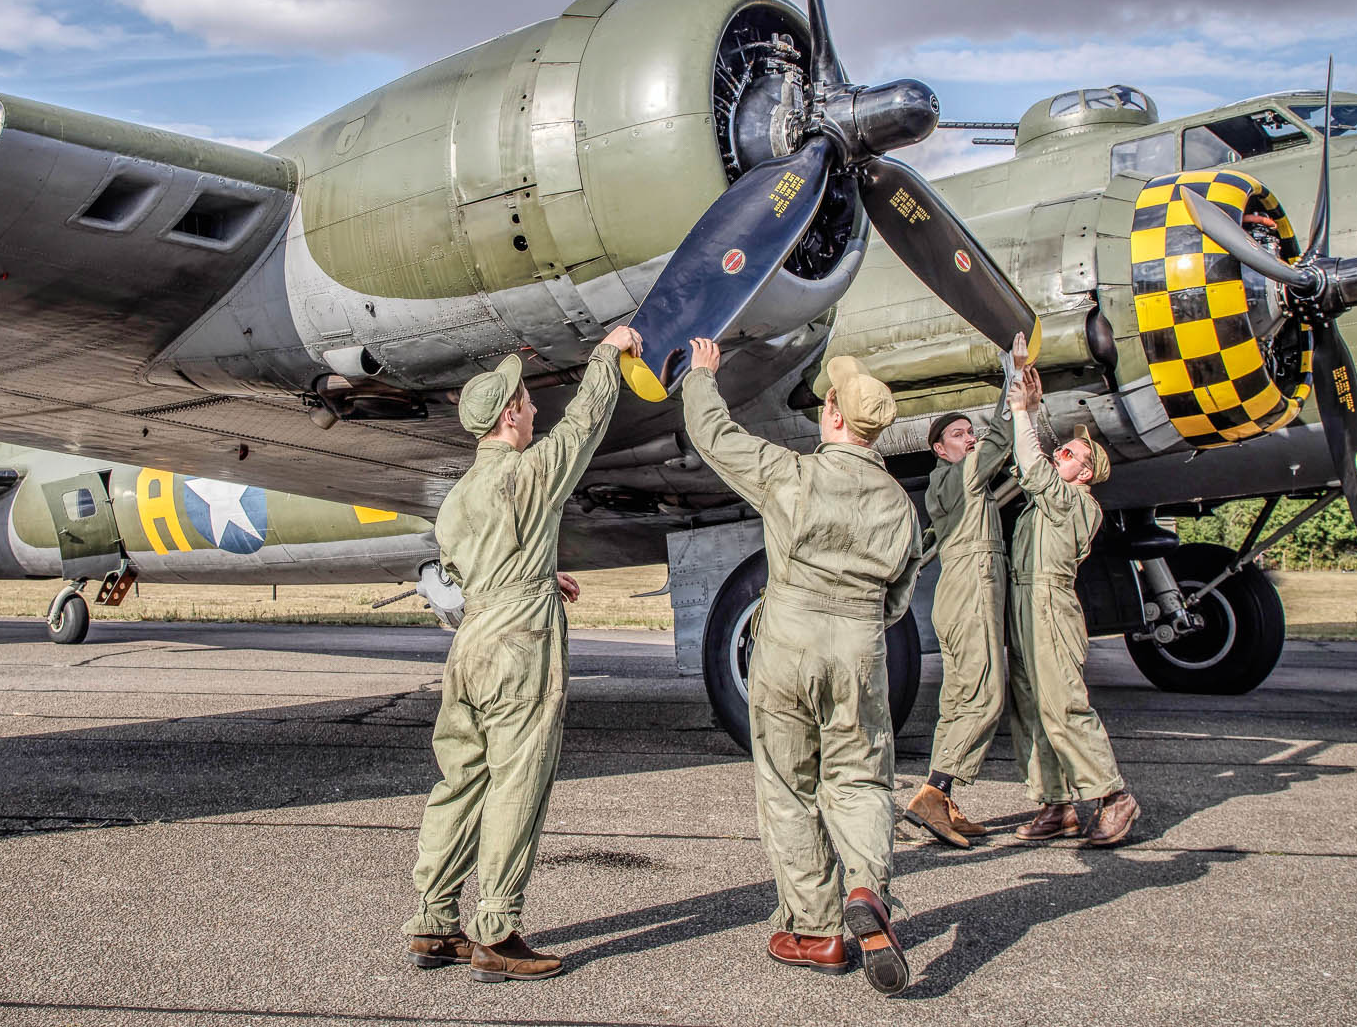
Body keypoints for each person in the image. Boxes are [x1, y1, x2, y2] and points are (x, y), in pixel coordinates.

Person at [680, 339, 924, 994]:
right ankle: (868, 889)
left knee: (789, 789)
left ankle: (814, 932)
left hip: (785, 644)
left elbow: (713, 435)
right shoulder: (901, 508)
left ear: (837, 421)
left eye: (828, 401)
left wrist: (702, 376)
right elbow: (899, 599)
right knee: (862, 781)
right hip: (858, 648)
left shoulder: (792, 473)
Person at [402, 324, 642, 982]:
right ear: (510, 415)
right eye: (529, 400)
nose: (536, 407)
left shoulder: (455, 501)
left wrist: (542, 573)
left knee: (461, 782)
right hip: (518, 648)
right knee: (517, 782)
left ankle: (433, 921)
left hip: (471, 641)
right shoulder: (533, 471)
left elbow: (470, 570)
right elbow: (585, 425)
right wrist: (607, 355)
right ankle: (497, 932)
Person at [1002, 365, 1139, 847]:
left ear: (1084, 473)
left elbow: (1035, 468)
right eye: (1063, 446)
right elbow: (1034, 464)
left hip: (1049, 606)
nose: (1061, 451)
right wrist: (1035, 411)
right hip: (1023, 603)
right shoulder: (1050, 501)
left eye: (1071, 452)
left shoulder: (1077, 503)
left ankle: (1112, 796)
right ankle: (1056, 804)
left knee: (1063, 705)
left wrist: (1021, 413)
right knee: (1031, 708)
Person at [902, 340, 1022, 849]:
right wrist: (1011, 384)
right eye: (957, 434)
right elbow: (1000, 442)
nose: (969, 439)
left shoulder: (957, 483)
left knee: (958, 701)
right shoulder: (957, 477)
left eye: (969, 432)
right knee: (987, 695)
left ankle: (943, 800)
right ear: (939, 448)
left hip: (961, 591)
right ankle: (935, 791)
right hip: (971, 589)